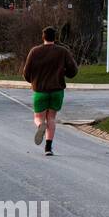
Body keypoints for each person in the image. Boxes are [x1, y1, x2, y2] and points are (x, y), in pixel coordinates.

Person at [22, 26, 78, 156]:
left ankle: (40, 125)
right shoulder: (63, 51)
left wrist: (33, 81)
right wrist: (65, 73)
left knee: (38, 117)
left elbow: (26, 73)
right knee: (51, 118)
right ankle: (48, 147)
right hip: (57, 91)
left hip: (40, 91)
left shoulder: (34, 51)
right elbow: (73, 71)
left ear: (43, 37)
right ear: (55, 38)